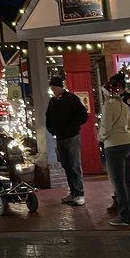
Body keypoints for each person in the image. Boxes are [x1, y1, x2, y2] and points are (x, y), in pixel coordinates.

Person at [98, 79, 130, 226]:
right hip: (128, 144)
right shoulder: (124, 105)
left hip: (114, 145)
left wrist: (101, 138)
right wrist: (126, 135)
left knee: (119, 182)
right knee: (129, 180)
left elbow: (105, 127)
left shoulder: (108, 106)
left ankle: (124, 216)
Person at [45, 75, 88, 206]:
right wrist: (52, 130)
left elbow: (82, 115)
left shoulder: (71, 99)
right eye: (51, 88)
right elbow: (48, 117)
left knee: (75, 165)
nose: (52, 90)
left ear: (59, 87)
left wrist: (72, 126)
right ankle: (73, 192)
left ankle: (79, 193)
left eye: (54, 88)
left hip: (72, 136)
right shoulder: (53, 102)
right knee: (66, 166)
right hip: (60, 138)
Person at [107, 72, 130, 213]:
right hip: (120, 138)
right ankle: (120, 198)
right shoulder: (114, 101)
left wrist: (128, 137)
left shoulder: (129, 100)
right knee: (116, 173)